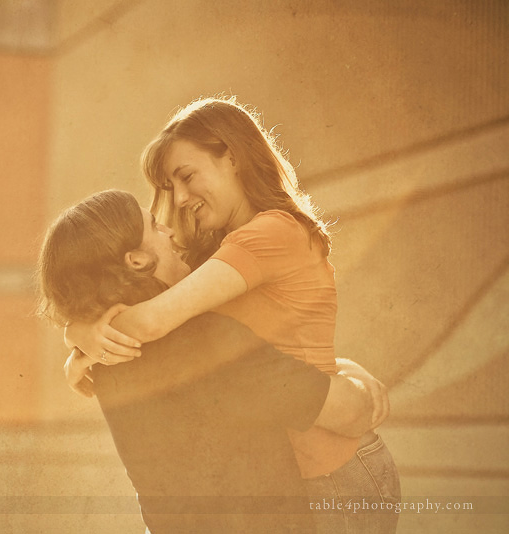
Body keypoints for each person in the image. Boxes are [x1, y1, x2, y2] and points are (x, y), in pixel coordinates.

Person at [63, 98, 401, 533]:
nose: (181, 199)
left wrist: (83, 339)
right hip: (292, 479)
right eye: (172, 186)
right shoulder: (221, 250)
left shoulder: (270, 232)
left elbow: (151, 323)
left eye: (187, 177)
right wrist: (79, 336)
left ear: (234, 156)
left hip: (331, 475)